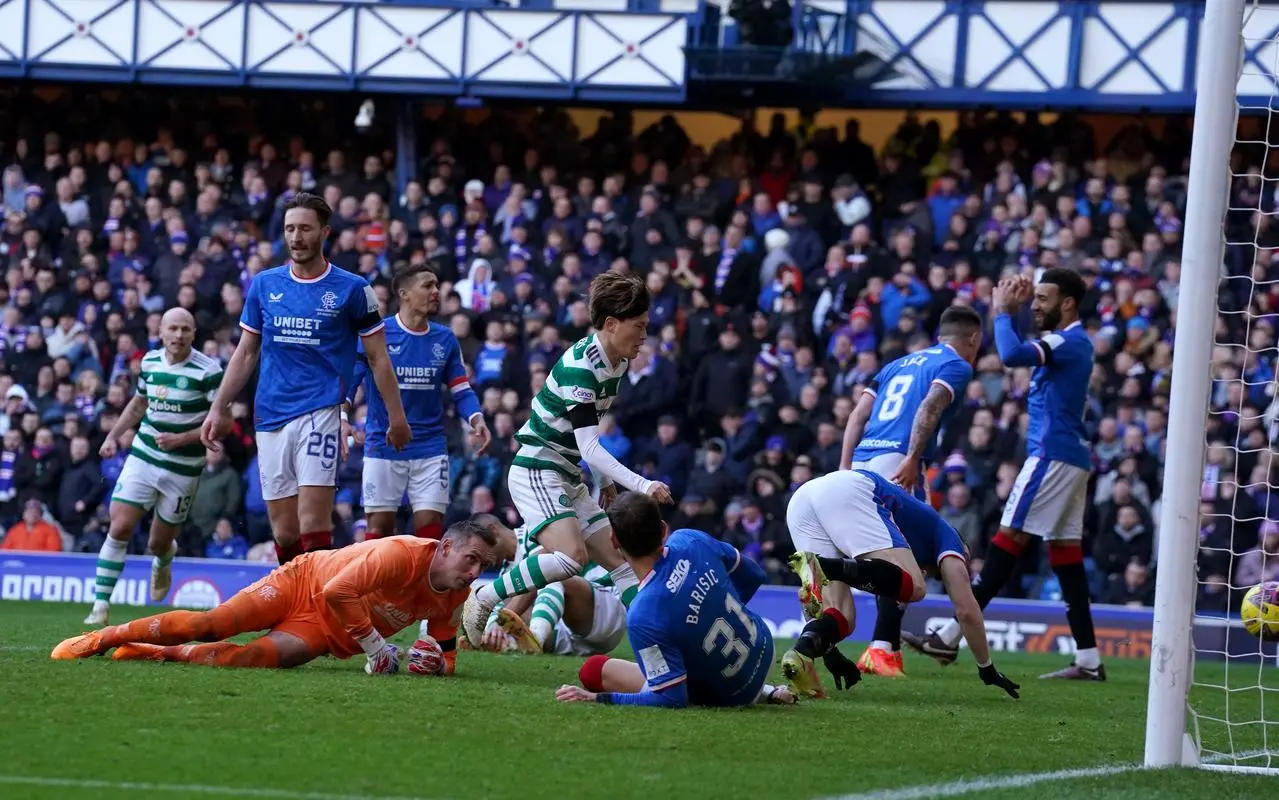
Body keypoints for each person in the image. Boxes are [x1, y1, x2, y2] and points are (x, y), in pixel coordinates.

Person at [904, 270, 1105, 682]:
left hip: (1051, 454)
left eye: (1044, 298)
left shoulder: (1067, 341)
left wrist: (1001, 313)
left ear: (1067, 303)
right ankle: (1088, 658)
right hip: (1070, 456)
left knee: (1006, 541)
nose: (1035, 305)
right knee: (1065, 556)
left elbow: (1012, 356)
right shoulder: (1073, 343)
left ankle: (950, 633)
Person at [462, 272, 673, 647]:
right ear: (611, 324)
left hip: (566, 472)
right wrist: (643, 486)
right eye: (638, 326)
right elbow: (590, 445)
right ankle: (484, 598)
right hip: (537, 468)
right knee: (571, 555)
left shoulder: (618, 362)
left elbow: (584, 438)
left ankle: (660, 641)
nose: (644, 336)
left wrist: (605, 482)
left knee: (623, 565)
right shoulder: (582, 366)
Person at [201, 193, 411, 565]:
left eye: (305, 229)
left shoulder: (352, 288)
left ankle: (316, 617)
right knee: (284, 533)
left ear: (324, 232)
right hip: (270, 415)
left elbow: (378, 358)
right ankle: (297, 608)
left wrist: (397, 417)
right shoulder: (265, 284)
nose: (296, 237)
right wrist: (219, 407)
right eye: (290, 229)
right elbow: (246, 352)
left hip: (321, 411)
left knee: (313, 525)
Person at [51, 520, 498, 673]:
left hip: (324, 631)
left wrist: (435, 664)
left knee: (246, 661)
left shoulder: (453, 599)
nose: (474, 572)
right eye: (471, 560)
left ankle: (157, 653)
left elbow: (446, 655)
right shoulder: (399, 554)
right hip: (301, 584)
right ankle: (104, 637)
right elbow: (337, 589)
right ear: (444, 548)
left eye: (482, 567)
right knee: (212, 624)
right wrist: (376, 647)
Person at [780, 468, 1020, 701]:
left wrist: (830, 652)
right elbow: (968, 611)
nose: (934, 575)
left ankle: (801, 653)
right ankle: (827, 566)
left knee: (841, 615)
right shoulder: (952, 544)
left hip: (804, 498)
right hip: (849, 489)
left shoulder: (917, 531)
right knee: (915, 588)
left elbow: (815, 604)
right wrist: (986, 668)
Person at [837, 305, 983, 677]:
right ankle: (882, 647)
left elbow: (857, 415)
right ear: (973, 340)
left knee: (882, 550)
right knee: (911, 554)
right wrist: (914, 458)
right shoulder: (956, 366)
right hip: (899, 461)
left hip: (862, 459)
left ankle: (881, 645)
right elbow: (929, 407)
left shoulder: (895, 364)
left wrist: (844, 465)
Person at [554, 492, 796, 708]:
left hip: (734, 694)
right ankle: (768, 689)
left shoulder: (643, 613)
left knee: (593, 671)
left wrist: (598, 698)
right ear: (662, 529)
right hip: (763, 649)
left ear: (614, 541)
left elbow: (671, 698)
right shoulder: (690, 540)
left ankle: (762, 692)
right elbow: (754, 574)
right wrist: (713, 604)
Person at [84, 307, 223, 626]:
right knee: (118, 526)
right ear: (161, 332)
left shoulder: (208, 370)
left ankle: (164, 557)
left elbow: (223, 421)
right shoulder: (149, 361)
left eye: (185, 329)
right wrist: (113, 436)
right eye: (173, 328)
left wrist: (183, 438)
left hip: (182, 468)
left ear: (194, 333)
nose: (179, 335)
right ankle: (100, 606)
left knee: (156, 542)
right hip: (144, 456)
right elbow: (139, 403)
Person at [471, 513, 626, 658]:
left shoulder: (538, 531)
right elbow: (499, 605)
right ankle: (511, 642)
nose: (483, 559)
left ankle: (536, 639)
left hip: (604, 611)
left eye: (482, 549)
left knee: (549, 573)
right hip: (567, 635)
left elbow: (545, 561)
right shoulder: (506, 571)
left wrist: (502, 621)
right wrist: (491, 630)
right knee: (506, 603)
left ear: (493, 530)